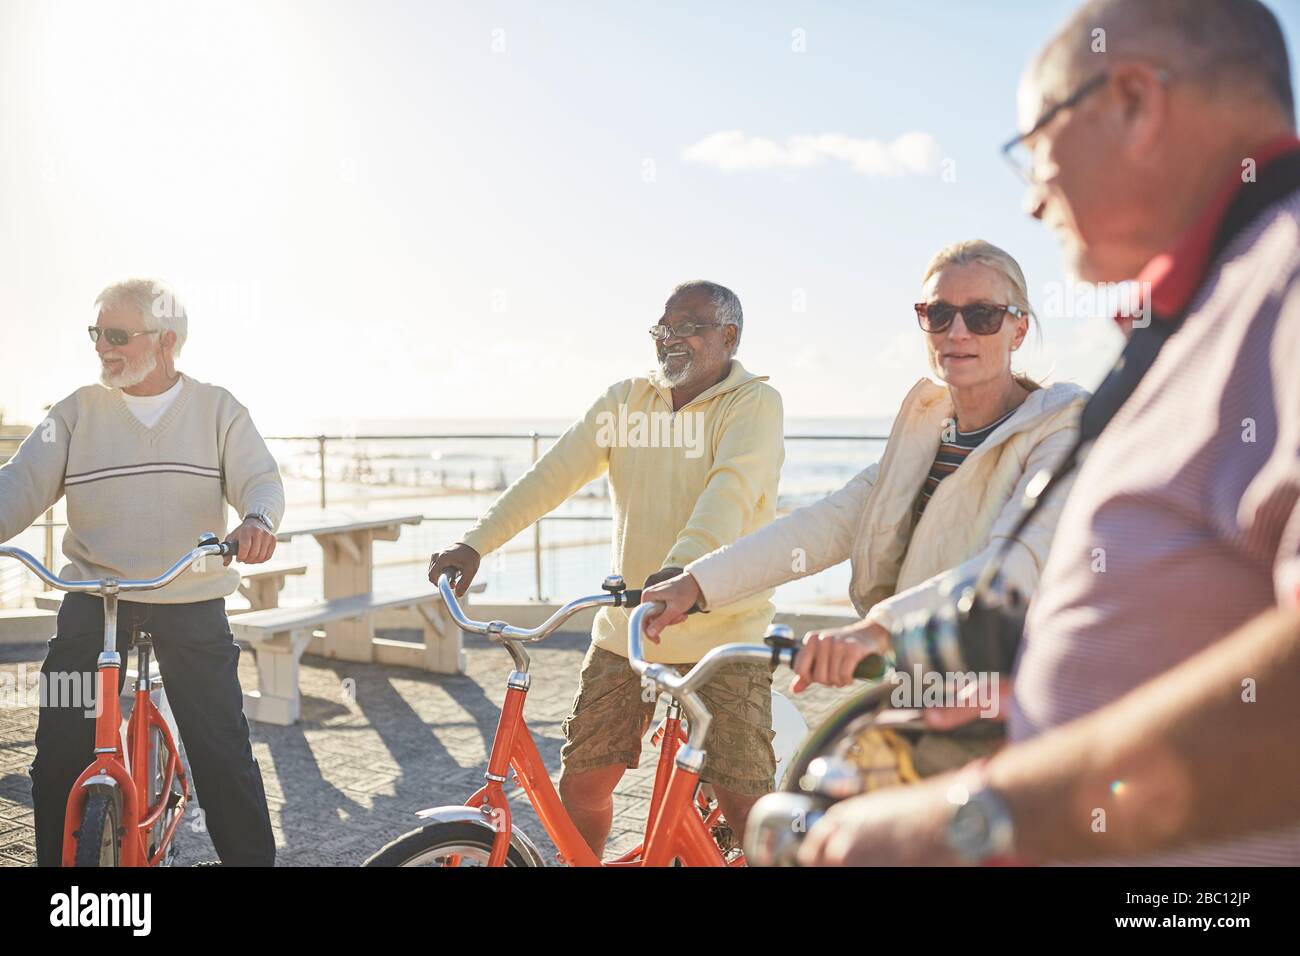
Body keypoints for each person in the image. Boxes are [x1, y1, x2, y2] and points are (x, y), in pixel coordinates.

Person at [798, 0, 1300, 866]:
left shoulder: (1283, 280)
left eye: (1034, 147)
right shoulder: (1225, 299)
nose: (1032, 200)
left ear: (1134, 102)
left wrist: (977, 823)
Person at [645, 241, 1088, 711]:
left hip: (1018, 698)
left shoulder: (1061, 426)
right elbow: (829, 523)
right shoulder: (927, 428)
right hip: (918, 685)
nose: (957, 331)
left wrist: (876, 630)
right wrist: (696, 583)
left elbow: (1014, 564)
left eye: (982, 316)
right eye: (938, 314)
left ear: (1018, 330)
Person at [425, 280, 785, 855]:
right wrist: (475, 544)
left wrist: (679, 572)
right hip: (628, 629)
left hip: (725, 631)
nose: (670, 338)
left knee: (744, 803)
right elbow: (552, 475)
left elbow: (730, 494)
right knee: (584, 784)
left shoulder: (754, 404)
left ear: (729, 336)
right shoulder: (625, 400)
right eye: (662, 328)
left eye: (687, 327)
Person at [0, 278, 283, 866]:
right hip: (94, 598)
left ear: (166, 341)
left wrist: (256, 519)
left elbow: (260, 478)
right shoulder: (74, 412)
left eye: (118, 334)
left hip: (191, 596)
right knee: (57, 745)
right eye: (96, 333)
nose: (103, 346)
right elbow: (18, 485)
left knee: (222, 750)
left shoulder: (218, 409)